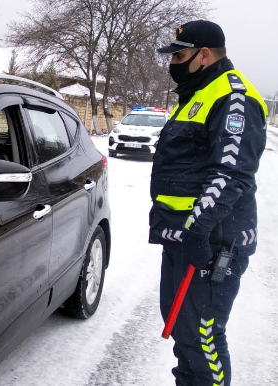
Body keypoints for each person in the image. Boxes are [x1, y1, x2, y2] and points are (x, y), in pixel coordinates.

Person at [150, 20, 268, 385]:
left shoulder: (233, 98)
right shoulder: (198, 92)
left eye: (180, 55)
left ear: (204, 55)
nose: (174, 64)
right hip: (181, 237)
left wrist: (197, 232)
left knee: (203, 339)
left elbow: (231, 174)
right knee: (184, 337)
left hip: (212, 241)